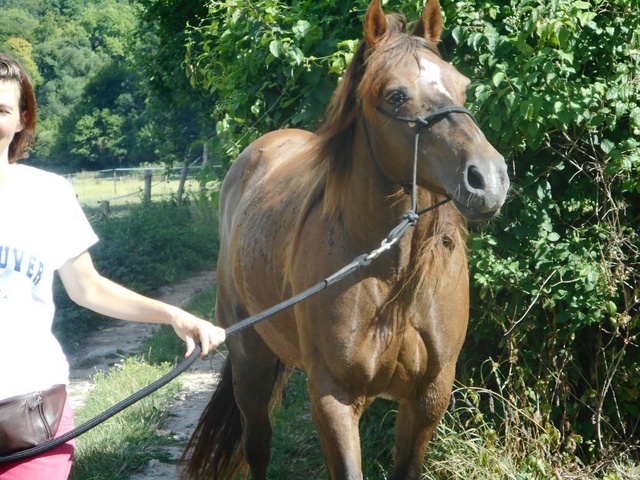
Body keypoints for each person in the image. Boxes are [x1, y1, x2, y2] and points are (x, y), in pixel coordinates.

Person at [0, 53, 226, 479]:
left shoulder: (48, 194)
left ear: (22, 118)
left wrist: (174, 314)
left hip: (30, 417)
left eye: (0, 109)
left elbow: (89, 288)